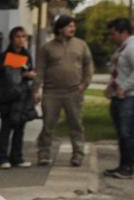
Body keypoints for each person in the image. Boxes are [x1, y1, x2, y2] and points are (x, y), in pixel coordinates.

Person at [35, 14, 93, 167]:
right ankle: (44, 153)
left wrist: (85, 83)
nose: (73, 29)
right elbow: (40, 70)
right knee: (48, 124)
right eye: (69, 26)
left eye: (74, 26)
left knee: (76, 124)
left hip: (74, 91)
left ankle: (78, 154)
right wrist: (36, 89)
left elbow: (88, 65)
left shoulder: (81, 45)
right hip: (51, 92)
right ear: (60, 28)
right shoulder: (47, 48)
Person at [104, 17, 134, 180]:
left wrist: (125, 86)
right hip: (119, 96)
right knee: (122, 133)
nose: (111, 37)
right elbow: (118, 70)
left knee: (127, 133)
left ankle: (128, 167)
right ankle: (122, 165)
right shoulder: (122, 48)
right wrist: (111, 86)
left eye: (113, 33)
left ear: (124, 32)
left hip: (132, 97)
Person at [0, 26, 38, 169]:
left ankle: (17, 157)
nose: (21, 40)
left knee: (20, 128)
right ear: (12, 39)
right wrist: (13, 70)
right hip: (8, 96)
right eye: (18, 36)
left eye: (24, 37)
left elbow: (30, 71)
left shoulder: (27, 55)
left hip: (22, 96)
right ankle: (1, 158)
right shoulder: (4, 56)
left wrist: (29, 76)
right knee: (6, 128)